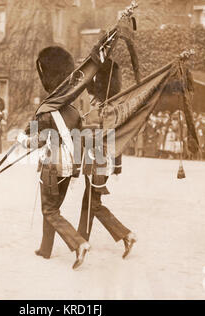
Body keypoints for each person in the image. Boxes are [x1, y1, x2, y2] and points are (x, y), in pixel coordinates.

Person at [16, 46, 90, 270]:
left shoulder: (46, 111)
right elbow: (80, 142)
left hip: (51, 167)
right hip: (68, 169)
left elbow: (36, 140)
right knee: (53, 206)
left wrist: (21, 139)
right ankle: (45, 249)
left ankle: (78, 244)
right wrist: (76, 170)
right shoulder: (76, 112)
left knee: (49, 210)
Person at [77, 59, 137, 260]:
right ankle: (80, 241)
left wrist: (117, 166)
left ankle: (125, 234)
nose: (91, 100)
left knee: (93, 204)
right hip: (95, 162)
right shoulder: (105, 109)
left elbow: (113, 139)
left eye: (93, 95)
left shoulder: (108, 111)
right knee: (89, 202)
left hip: (99, 164)